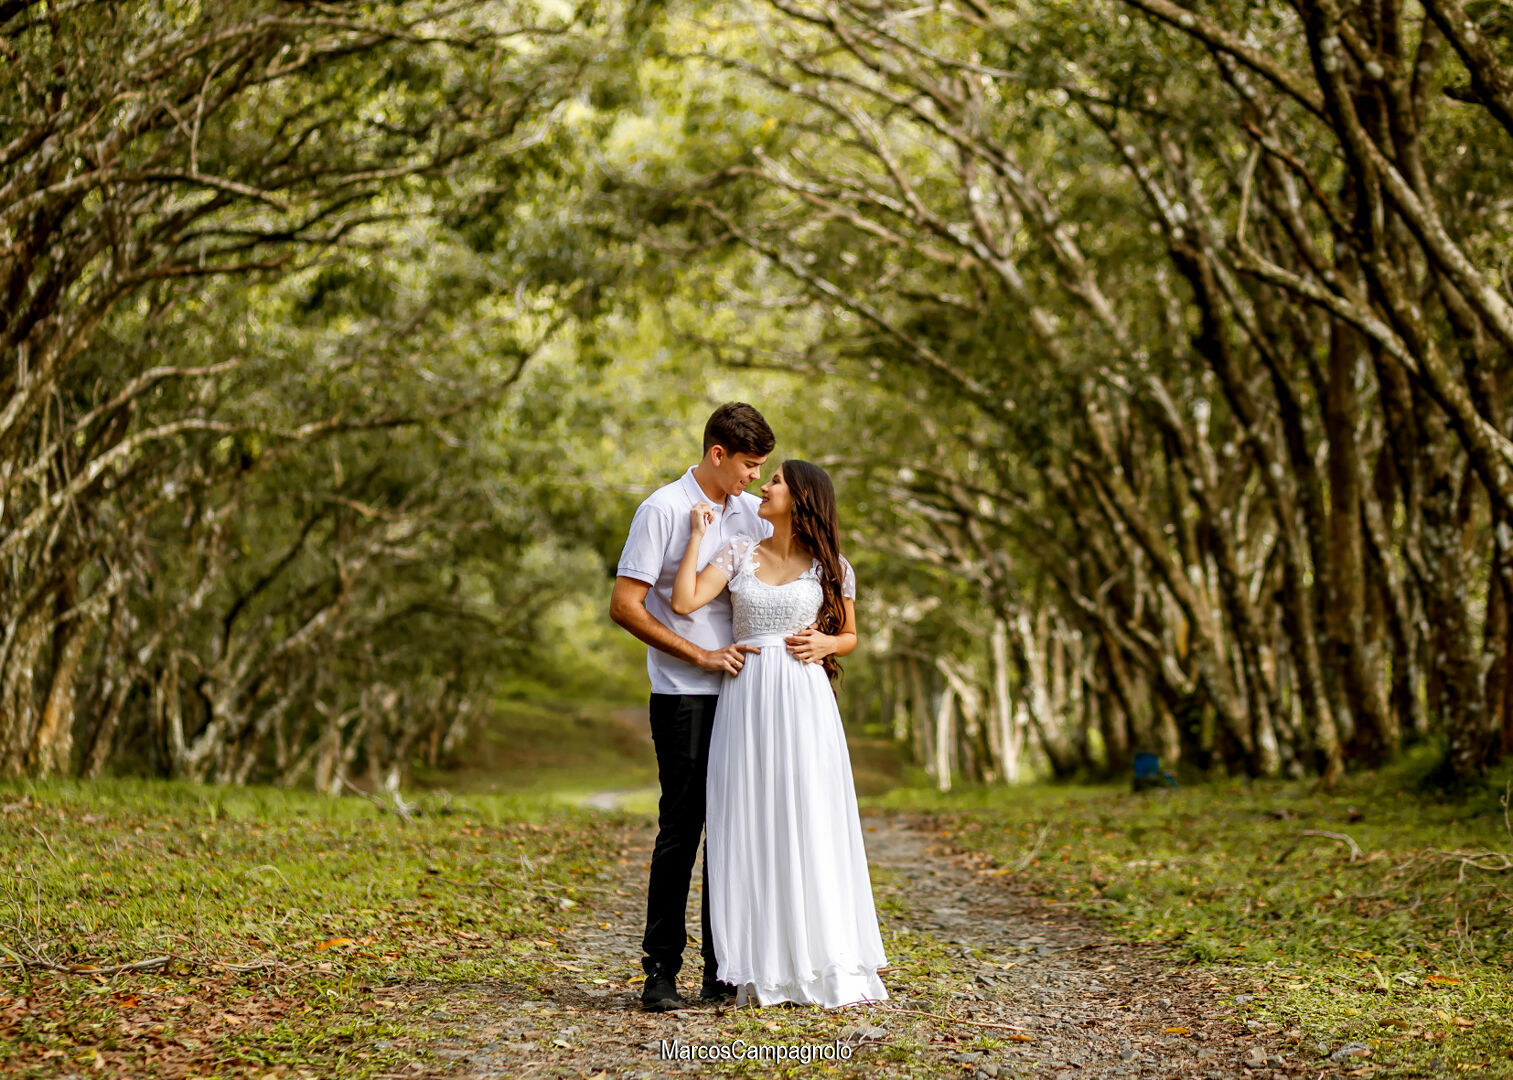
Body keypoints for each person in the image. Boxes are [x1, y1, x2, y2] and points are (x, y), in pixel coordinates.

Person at [671, 460, 888, 1008]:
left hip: (803, 702)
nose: (764, 488)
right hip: (745, 699)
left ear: (802, 498)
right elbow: (684, 602)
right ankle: (757, 963)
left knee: (807, 816)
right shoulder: (738, 550)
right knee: (749, 819)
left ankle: (818, 960)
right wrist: (698, 537)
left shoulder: (832, 566)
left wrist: (828, 646)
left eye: (775, 482)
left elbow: (852, 635)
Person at [609, 403, 776, 1012]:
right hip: (684, 696)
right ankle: (660, 974)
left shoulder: (754, 514)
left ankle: (722, 972)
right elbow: (626, 606)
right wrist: (699, 657)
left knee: (733, 834)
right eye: (750, 465)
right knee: (682, 830)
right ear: (718, 454)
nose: (756, 477)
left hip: (746, 696)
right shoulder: (661, 510)